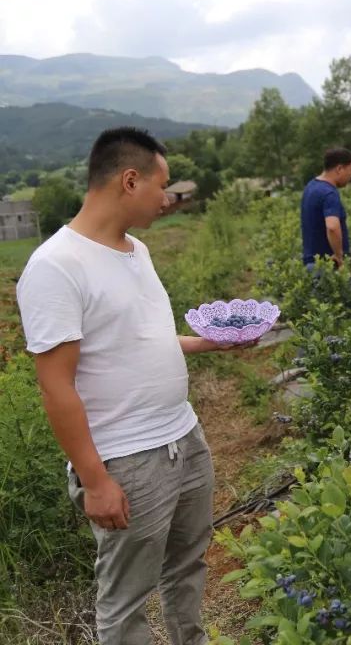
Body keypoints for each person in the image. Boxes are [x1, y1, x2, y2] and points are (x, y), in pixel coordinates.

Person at [15, 127, 254, 645]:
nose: (165, 198)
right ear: (129, 180)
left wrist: (206, 343)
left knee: (187, 565)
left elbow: (140, 339)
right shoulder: (56, 266)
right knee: (126, 600)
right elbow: (56, 387)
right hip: (128, 458)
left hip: (185, 439)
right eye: (160, 185)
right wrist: (95, 480)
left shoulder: (135, 251)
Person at [301, 147, 351, 270]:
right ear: (339, 169)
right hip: (327, 265)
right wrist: (339, 256)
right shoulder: (329, 193)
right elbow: (332, 227)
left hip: (311, 261)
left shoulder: (311, 186)